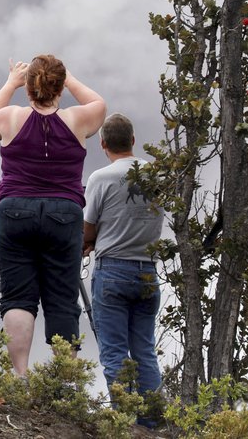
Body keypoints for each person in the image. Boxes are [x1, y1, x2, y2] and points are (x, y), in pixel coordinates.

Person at [0, 55, 106, 374]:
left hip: (15, 210)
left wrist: (11, 82)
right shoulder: (77, 120)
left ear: (29, 88)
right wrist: (70, 79)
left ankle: (20, 377)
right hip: (63, 214)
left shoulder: (10, 118)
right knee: (62, 298)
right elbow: (99, 104)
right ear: (59, 87)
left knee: (17, 296)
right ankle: (64, 382)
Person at [83, 113, 164, 421]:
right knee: (145, 352)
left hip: (112, 271)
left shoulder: (100, 179)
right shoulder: (156, 173)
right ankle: (153, 424)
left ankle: (127, 424)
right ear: (132, 140)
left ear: (103, 143)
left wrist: (87, 243)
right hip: (147, 271)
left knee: (115, 353)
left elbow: (88, 232)